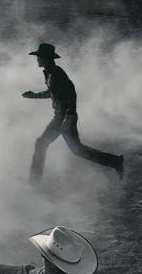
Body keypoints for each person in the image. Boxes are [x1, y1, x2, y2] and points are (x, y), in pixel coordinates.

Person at [23, 43, 124, 183]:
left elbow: (71, 93)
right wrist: (34, 95)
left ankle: (33, 182)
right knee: (75, 150)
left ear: (45, 58)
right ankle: (115, 161)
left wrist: (68, 117)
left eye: (39, 57)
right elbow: (52, 93)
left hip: (64, 117)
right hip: (61, 116)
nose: (37, 60)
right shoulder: (50, 72)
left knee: (46, 145)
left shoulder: (57, 74)